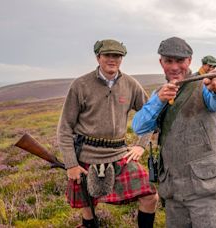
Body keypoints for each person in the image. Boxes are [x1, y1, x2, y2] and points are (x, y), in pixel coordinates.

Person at [132, 36, 216, 228]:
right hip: (172, 188)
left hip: (205, 186)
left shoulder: (204, 85)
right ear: (161, 62)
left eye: (179, 60)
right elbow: (139, 126)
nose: (174, 67)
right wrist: (158, 101)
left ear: (189, 61)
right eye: (168, 61)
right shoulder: (158, 95)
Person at [57, 39, 158, 228]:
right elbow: (64, 128)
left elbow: (150, 116)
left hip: (119, 155)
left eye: (117, 56)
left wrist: (140, 144)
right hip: (86, 157)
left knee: (150, 196)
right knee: (87, 206)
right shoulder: (80, 85)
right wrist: (71, 164)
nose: (112, 59)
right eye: (107, 55)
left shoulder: (131, 84)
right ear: (98, 57)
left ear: (121, 59)